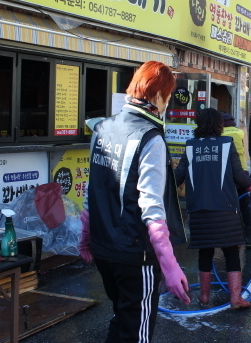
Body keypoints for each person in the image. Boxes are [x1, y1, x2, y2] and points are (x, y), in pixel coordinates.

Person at [78, 61, 190, 343]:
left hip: (104, 250)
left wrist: (86, 237)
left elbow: (94, 189)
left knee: (122, 319)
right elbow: (152, 208)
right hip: (135, 256)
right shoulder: (150, 138)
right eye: (168, 95)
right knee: (136, 333)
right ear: (159, 95)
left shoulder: (102, 128)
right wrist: (170, 264)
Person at [174, 108, 251, 309]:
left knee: (205, 252)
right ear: (218, 125)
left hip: (198, 210)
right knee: (231, 252)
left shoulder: (191, 146)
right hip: (225, 209)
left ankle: (204, 296)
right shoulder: (226, 144)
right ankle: (235, 298)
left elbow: (176, 177)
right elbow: (240, 177)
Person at [221, 111, 251, 249]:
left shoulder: (218, 134)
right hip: (242, 171)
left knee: (227, 205)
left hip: (225, 174)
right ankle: (249, 237)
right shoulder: (239, 132)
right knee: (244, 206)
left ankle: (229, 237)